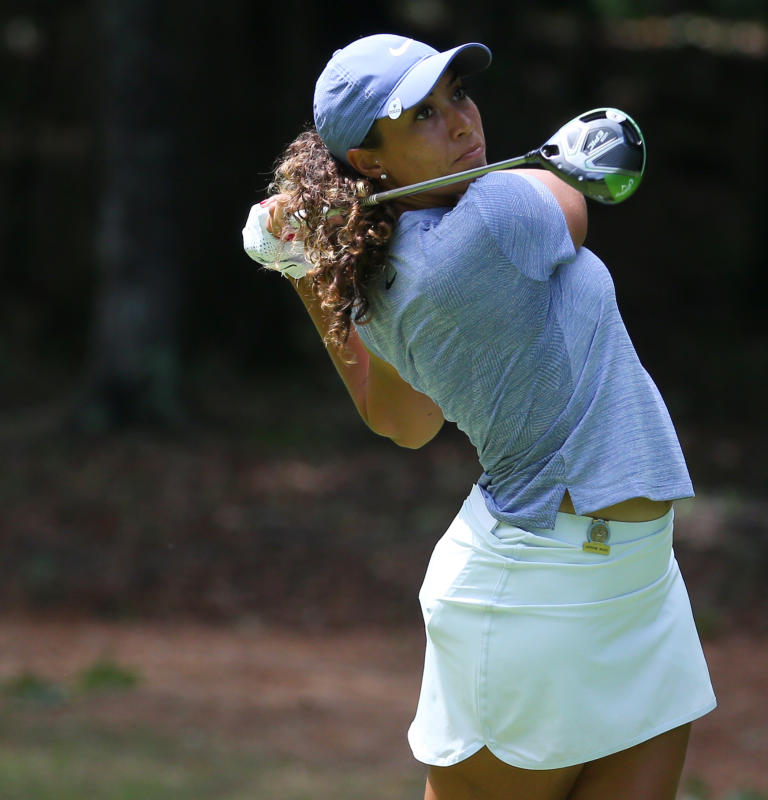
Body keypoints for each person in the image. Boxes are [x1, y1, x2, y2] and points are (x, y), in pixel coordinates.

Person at [241, 33, 716, 800]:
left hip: (635, 578)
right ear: (369, 162)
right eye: (424, 115)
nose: (463, 123)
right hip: (539, 590)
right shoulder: (494, 219)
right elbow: (572, 200)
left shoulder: (381, 275)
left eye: (458, 94)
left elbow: (401, 420)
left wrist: (305, 268)